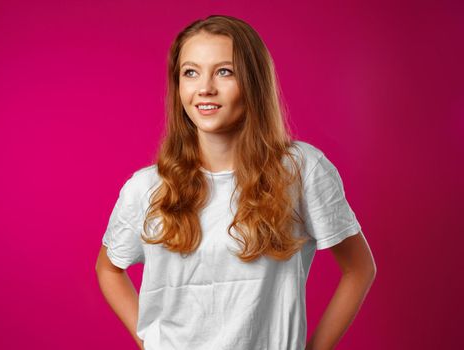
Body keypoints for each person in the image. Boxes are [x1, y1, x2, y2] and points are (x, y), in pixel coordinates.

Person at [95, 14, 376, 350]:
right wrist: (149, 342)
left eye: (224, 71)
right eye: (191, 72)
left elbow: (359, 269)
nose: (205, 88)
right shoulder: (146, 187)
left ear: (254, 81)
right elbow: (108, 268)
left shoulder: (302, 170)